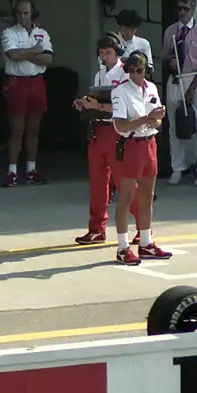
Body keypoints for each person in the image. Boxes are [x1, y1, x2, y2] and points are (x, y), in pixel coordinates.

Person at [73, 33, 142, 246]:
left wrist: (99, 106)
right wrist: (85, 104)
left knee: (125, 182)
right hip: (98, 129)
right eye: (102, 53)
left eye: (108, 52)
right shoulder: (99, 74)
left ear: (118, 52)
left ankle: (143, 226)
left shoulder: (125, 74)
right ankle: (96, 229)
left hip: (117, 132)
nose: (104, 57)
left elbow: (128, 109)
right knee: (97, 183)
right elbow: (97, 100)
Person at [110, 51, 171, 266]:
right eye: (132, 70)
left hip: (149, 143)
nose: (136, 74)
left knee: (148, 195)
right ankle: (122, 246)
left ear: (146, 70)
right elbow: (120, 125)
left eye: (140, 70)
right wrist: (148, 118)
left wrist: (157, 120)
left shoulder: (152, 88)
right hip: (131, 144)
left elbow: (158, 120)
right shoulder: (120, 91)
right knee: (126, 197)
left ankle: (145, 242)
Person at [1, 0, 53, 186]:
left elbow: (48, 59)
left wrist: (25, 54)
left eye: (26, 13)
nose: (23, 17)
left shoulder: (42, 33)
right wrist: (34, 51)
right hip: (17, 83)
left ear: (32, 13)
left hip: (37, 82)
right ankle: (12, 171)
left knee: (33, 128)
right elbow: (12, 55)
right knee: (17, 129)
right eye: (19, 13)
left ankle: (31, 169)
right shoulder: (9, 32)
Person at [161, 0, 197, 185]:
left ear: (193, 9)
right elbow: (165, 56)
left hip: (193, 78)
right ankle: (178, 168)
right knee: (175, 125)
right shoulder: (171, 31)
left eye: (186, 9)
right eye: (180, 9)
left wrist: (192, 88)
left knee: (195, 125)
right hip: (175, 79)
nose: (182, 12)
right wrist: (170, 62)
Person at [116, 9, 154, 73]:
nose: (129, 33)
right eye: (126, 29)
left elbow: (150, 70)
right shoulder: (111, 43)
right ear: (120, 26)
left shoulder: (144, 44)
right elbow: (103, 66)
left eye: (133, 29)